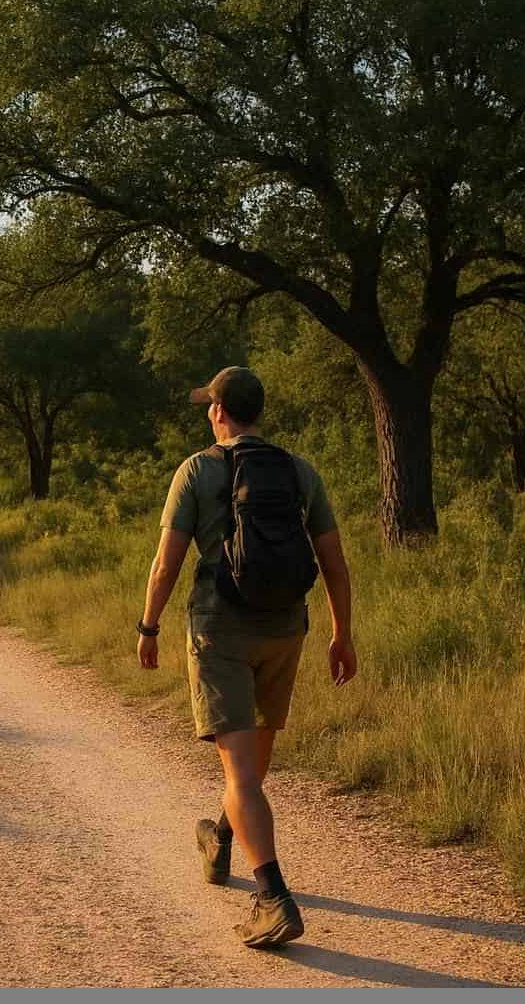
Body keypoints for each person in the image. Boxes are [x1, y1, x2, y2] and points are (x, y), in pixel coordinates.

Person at [136, 366, 357, 947]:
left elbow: (167, 563)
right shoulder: (300, 472)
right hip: (286, 629)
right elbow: (333, 562)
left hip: (221, 630)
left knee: (241, 773)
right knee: (250, 770)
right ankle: (221, 841)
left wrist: (149, 625)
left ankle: (273, 897)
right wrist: (343, 634)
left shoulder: (197, 470)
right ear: (258, 411)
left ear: (218, 411)